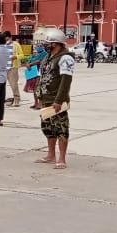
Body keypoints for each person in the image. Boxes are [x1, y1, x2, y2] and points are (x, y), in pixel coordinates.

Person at [36, 29, 74, 169]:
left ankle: (61, 158)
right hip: (46, 99)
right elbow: (42, 77)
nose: (46, 45)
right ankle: (51, 155)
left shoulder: (65, 58)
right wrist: (39, 96)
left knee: (61, 129)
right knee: (48, 128)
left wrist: (59, 100)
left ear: (56, 43)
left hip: (57, 100)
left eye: (48, 42)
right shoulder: (47, 57)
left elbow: (66, 81)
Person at [6, 33, 23, 107]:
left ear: (10, 37)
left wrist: (15, 56)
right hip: (3, 67)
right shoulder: (2, 45)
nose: (6, 40)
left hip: (12, 67)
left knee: (14, 84)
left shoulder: (16, 45)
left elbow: (22, 55)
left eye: (7, 38)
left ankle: (17, 99)